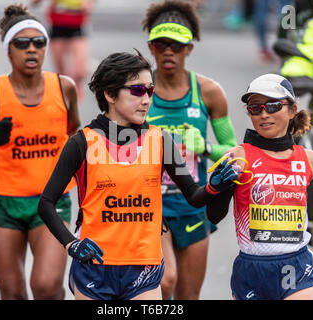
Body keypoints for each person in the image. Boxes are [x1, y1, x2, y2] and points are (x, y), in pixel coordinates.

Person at [37, 50, 238, 300]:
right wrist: (72, 244)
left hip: (144, 269)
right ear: (109, 94)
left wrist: (217, 186)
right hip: (94, 268)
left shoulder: (161, 140)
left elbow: (195, 198)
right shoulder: (82, 143)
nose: (146, 100)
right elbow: (46, 203)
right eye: (137, 91)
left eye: (149, 91)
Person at [0, 4, 80, 300]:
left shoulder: (64, 87)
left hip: (51, 201)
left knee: (46, 286)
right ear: (9, 49)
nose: (31, 49)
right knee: (11, 292)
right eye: (22, 43)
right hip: (4, 204)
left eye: (39, 42)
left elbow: (77, 141)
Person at [206, 73, 313, 300]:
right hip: (252, 268)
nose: (264, 114)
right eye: (255, 108)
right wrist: (218, 187)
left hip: (296, 263)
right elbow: (214, 215)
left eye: (273, 105)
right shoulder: (239, 156)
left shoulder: (310, 158)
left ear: (292, 109)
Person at [141, 0, 237, 300]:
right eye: (161, 45)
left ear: (189, 49)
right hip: (151, 207)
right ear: (151, 48)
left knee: (188, 296)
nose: (169, 51)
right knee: (165, 282)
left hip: (195, 205)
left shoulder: (209, 92)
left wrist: (205, 147)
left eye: (177, 46)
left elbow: (233, 154)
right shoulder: (138, 91)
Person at [31, 0, 95, 100]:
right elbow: (34, 3)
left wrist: (89, 3)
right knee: (61, 71)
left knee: (80, 71)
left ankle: (76, 87)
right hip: (57, 25)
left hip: (78, 25)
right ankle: (66, 99)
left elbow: (89, 5)